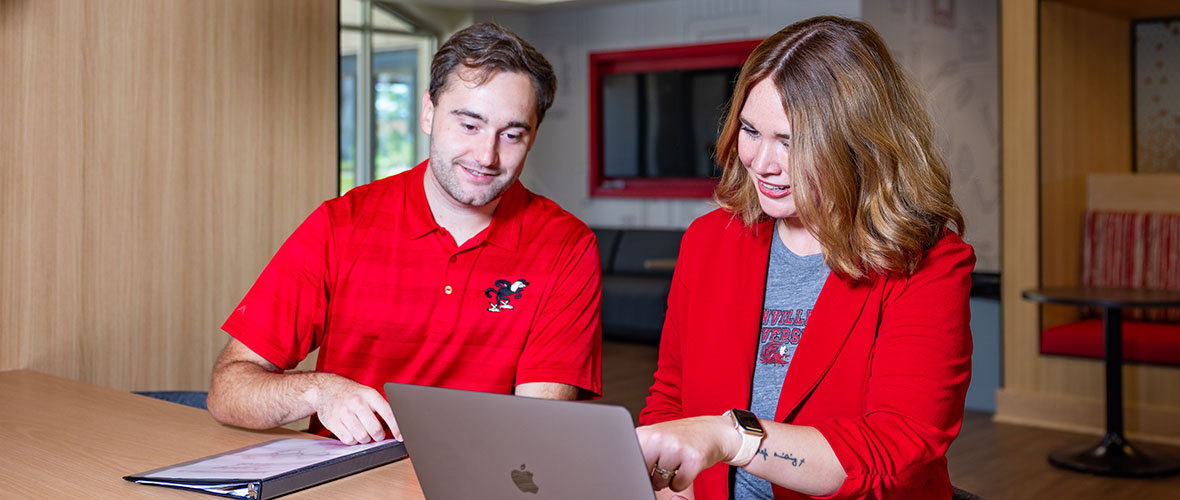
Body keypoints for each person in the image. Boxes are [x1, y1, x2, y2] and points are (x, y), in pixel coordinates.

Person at [206, 23, 602, 445]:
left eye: (511, 135)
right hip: (344, 482)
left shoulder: (567, 247)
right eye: (470, 125)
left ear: (533, 136)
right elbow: (228, 392)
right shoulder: (341, 223)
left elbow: (536, 432)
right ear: (428, 112)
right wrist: (318, 390)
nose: (487, 156)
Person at [636, 16, 974, 500]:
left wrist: (731, 438)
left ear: (859, 145)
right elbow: (670, 401)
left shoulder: (930, 263)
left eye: (792, 143)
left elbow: (894, 454)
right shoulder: (708, 240)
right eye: (751, 130)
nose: (761, 163)